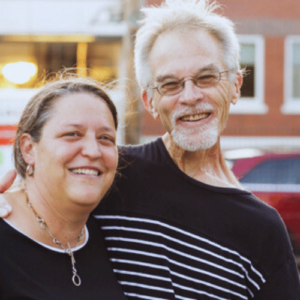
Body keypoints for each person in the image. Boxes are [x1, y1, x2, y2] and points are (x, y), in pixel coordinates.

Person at [1, 0, 300, 299]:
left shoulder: (263, 230)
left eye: (206, 78)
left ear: (236, 86)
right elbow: (39, 197)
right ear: (149, 101)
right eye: (170, 84)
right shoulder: (106, 174)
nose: (190, 96)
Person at [0, 76, 127, 300]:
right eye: (72, 134)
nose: (93, 151)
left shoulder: (109, 229)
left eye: (105, 138)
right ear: (29, 149)